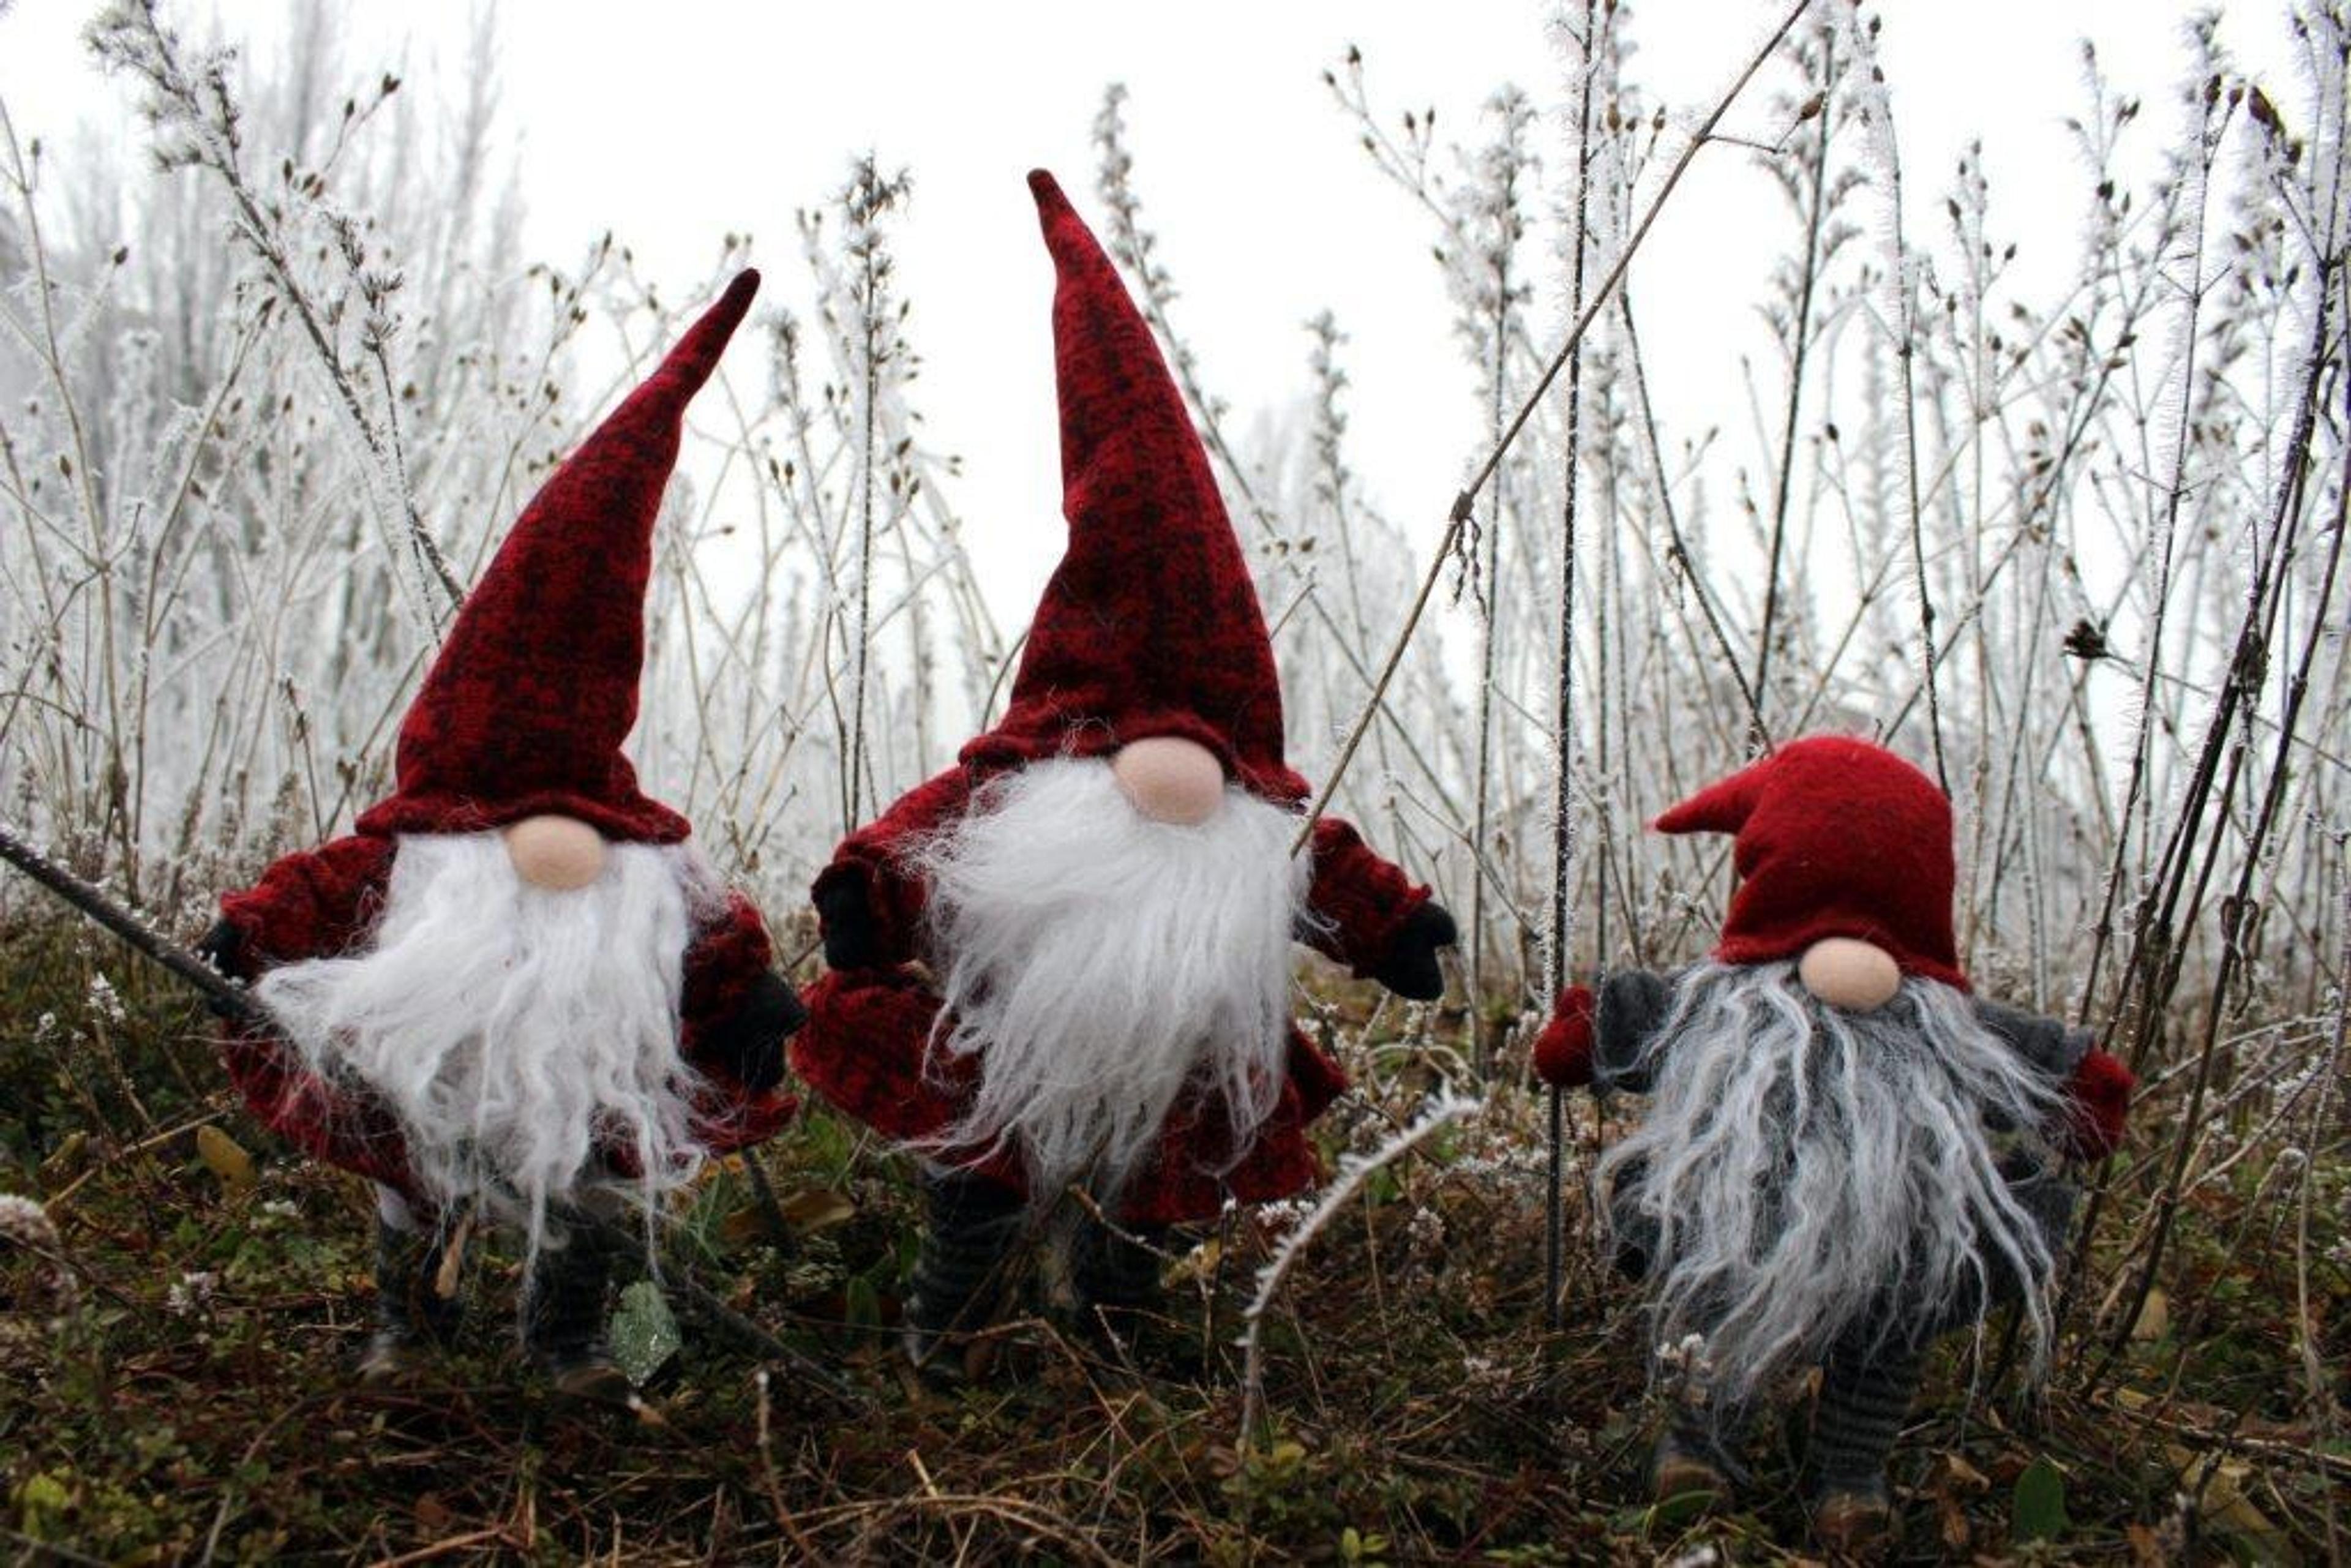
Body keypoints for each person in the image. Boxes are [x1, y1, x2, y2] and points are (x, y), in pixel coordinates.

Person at [790, 173, 1457, 1375]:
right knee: (980, 1178)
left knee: (1156, 1197)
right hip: (1005, 1042)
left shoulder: (1261, 824)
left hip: (1180, 1063)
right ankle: (954, 1337)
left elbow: (1329, 873)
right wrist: (869, 893)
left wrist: (1394, 927)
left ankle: (1118, 1331)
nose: (1172, 776)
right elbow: (923, 837)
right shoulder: (1018, 789)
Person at [201, 273, 803, 1401]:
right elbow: (313, 891)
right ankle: (409, 1332)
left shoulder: (648, 866)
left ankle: (586, 1350)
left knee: (597, 1197)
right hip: (437, 1067)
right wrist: (248, 933)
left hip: (592, 1081)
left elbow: (718, 940)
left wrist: (748, 997)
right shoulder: (417, 849)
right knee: (412, 1177)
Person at [1534, 737, 2132, 1551]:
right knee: (1717, 1309)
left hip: (1899, 1232)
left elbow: (2031, 1061)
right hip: (1737, 1222)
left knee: (1891, 1322)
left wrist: (2075, 1084)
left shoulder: (1941, 1026)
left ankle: (1849, 1480)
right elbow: (1644, 1014)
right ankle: (1698, 1454)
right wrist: (1594, 1025)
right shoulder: (1727, 1003)